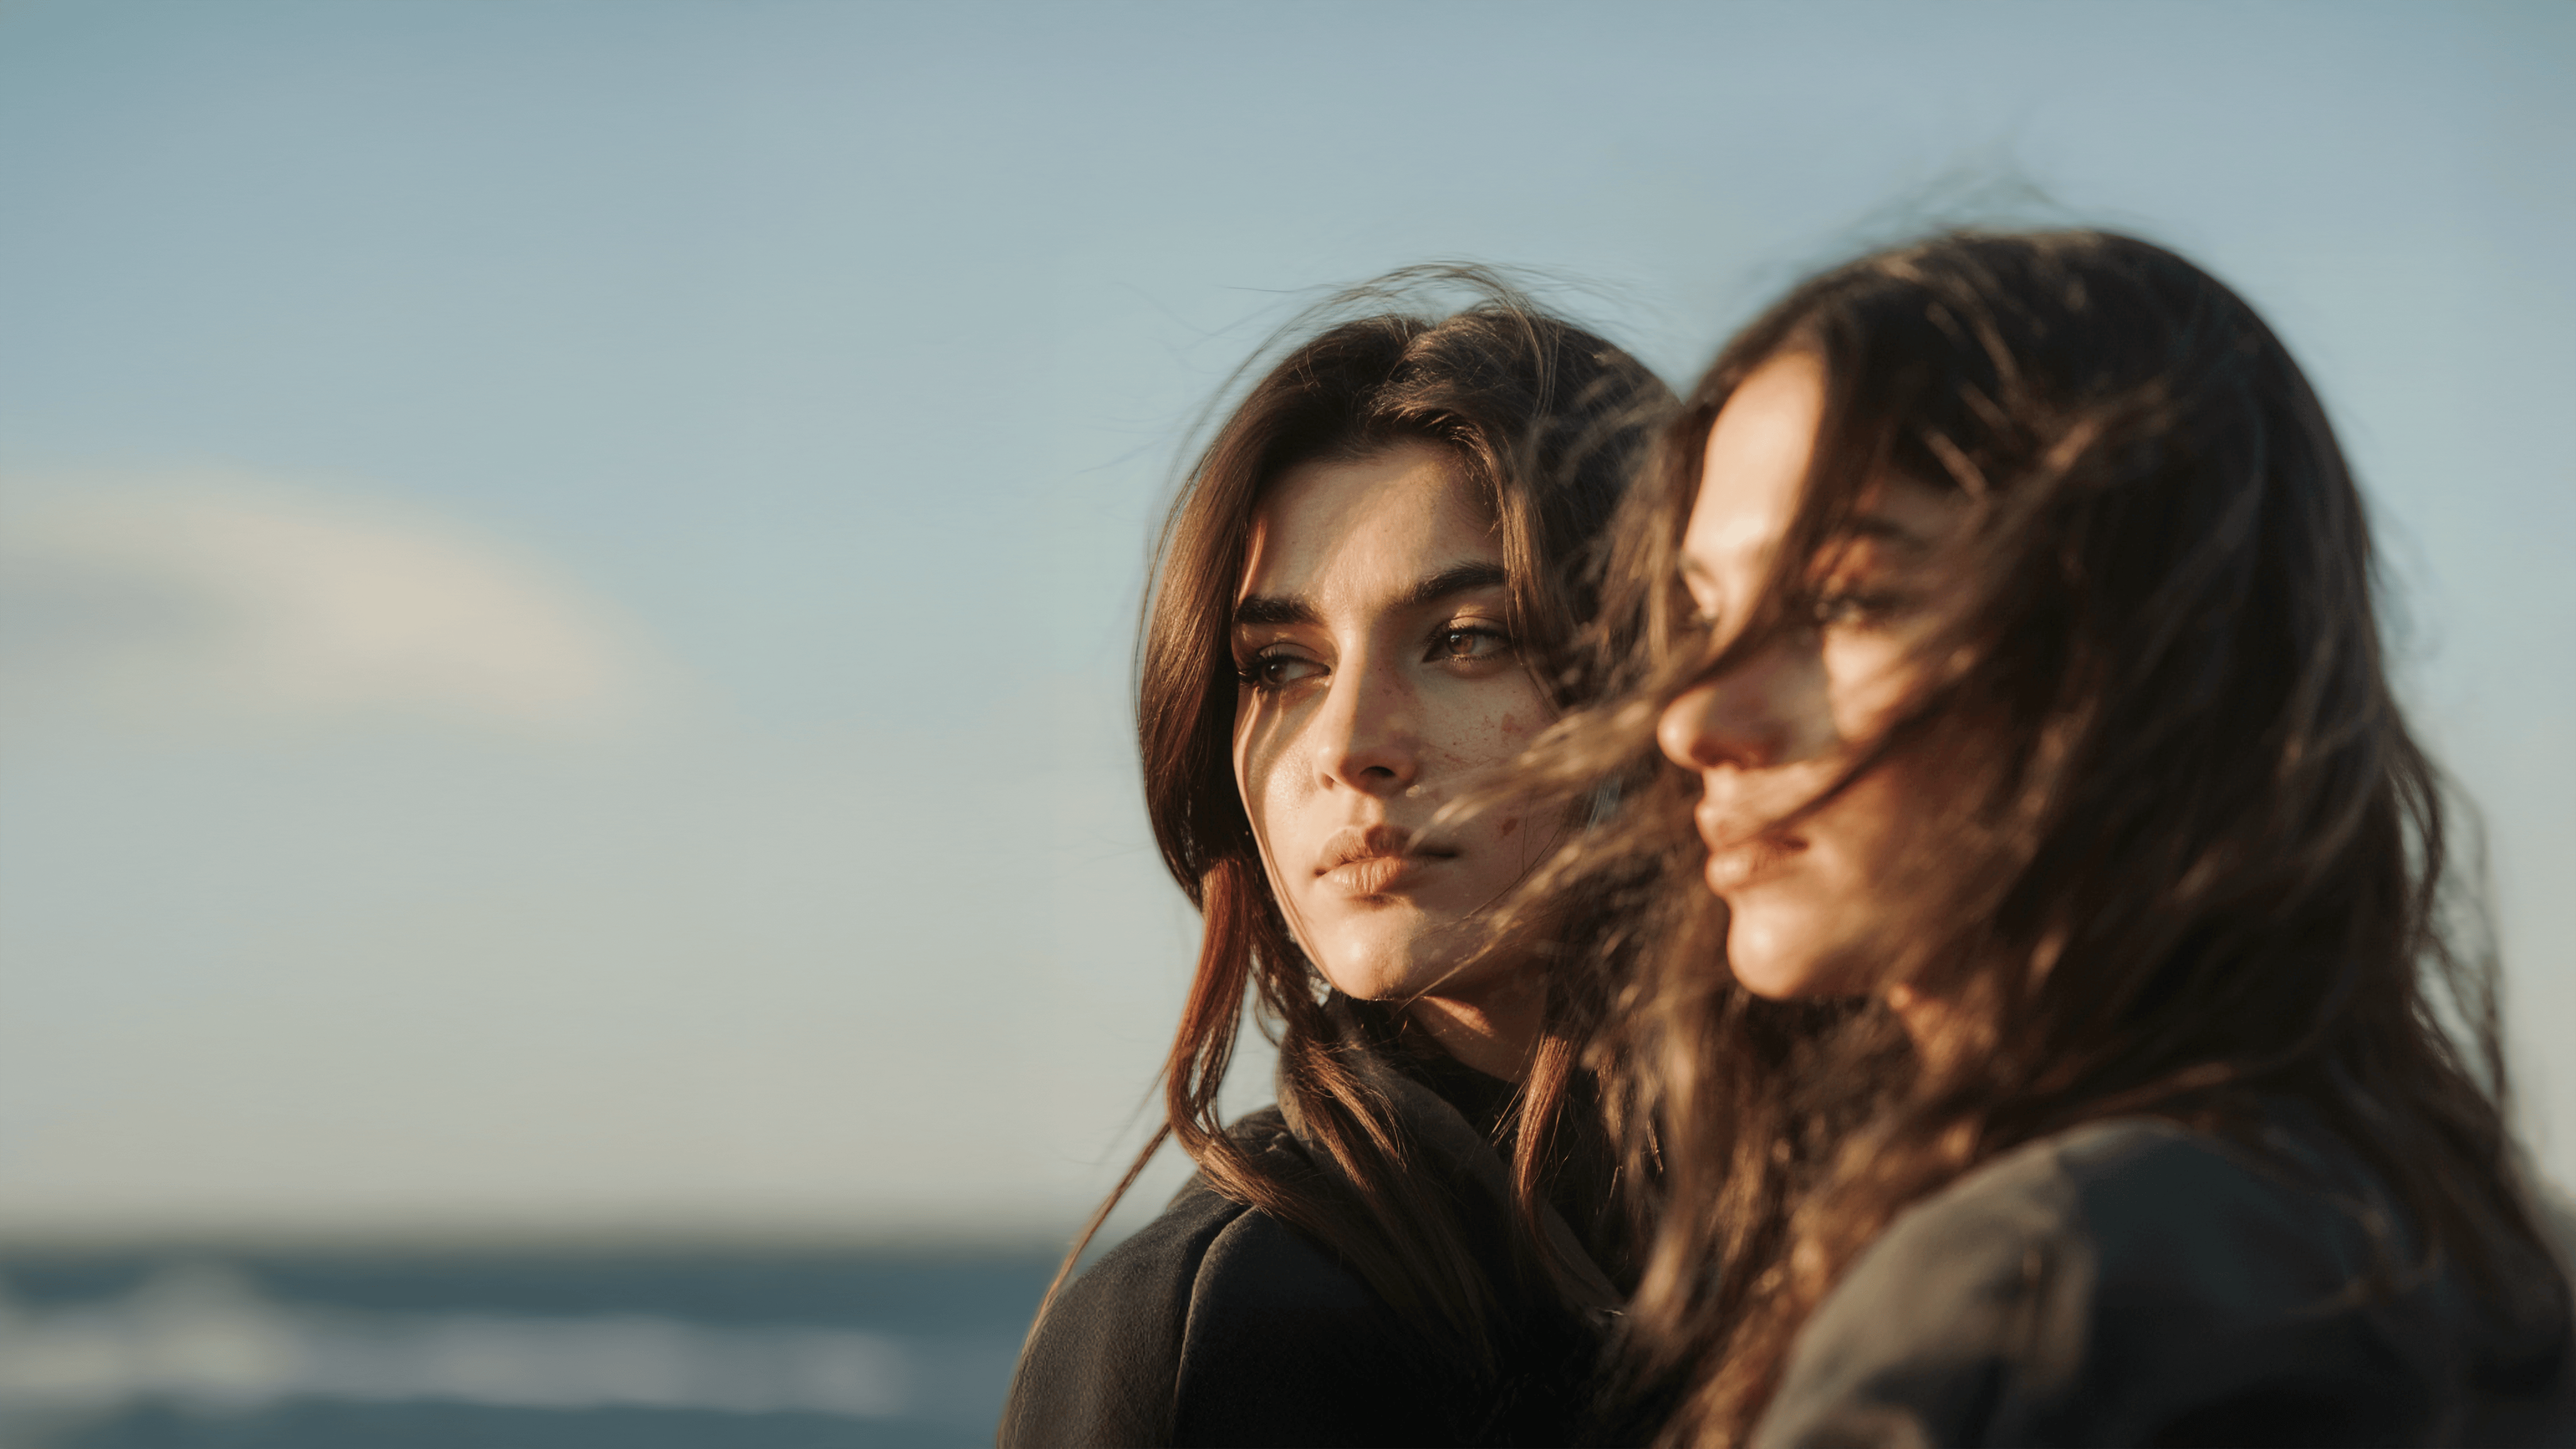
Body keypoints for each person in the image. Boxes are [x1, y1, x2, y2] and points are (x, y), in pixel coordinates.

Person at [1508, 229, 2573, 1445]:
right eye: (1701, 611)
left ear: (2139, 657)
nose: (1698, 716)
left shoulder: (2036, 1291)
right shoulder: (2461, 1243)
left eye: (1846, 601)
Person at [998, 269, 1673, 1446]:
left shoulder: (1919, 1228)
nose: (1351, 747)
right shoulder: (1231, 1331)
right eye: (1280, 668)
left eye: (1468, 640)